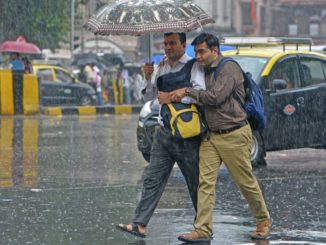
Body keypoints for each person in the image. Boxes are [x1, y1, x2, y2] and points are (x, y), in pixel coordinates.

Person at [170, 33, 271, 242]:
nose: (197, 56)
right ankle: (202, 229)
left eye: (201, 51)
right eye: (196, 51)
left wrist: (187, 91)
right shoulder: (202, 70)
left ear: (214, 51)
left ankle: (263, 220)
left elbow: (216, 97)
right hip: (211, 137)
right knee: (205, 183)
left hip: (234, 133)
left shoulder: (229, 68)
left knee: (245, 181)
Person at [116, 32, 205, 238]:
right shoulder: (161, 67)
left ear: (183, 44)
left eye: (173, 43)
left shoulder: (193, 66)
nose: (168, 47)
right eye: (165, 43)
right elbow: (149, 96)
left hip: (187, 135)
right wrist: (148, 77)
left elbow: (200, 94)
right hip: (164, 133)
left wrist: (174, 97)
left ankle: (202, 227)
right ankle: (139, 224)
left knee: (195, 182)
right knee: (152, 178)